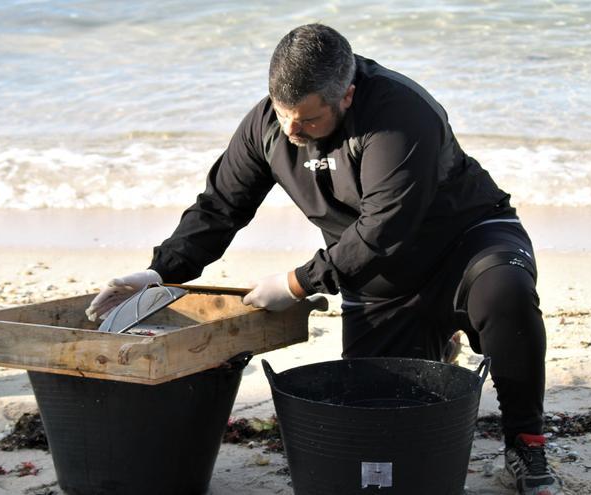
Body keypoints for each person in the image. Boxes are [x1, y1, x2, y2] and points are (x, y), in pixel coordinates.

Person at [86, 24, 560, 495]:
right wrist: (158, 271)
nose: (292, 129)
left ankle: (526, 444)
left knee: (507, 296)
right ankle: (434, 344)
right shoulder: (270, 125)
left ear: (347, 96)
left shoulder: (400, 115)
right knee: (375, 421)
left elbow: (383, 229)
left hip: (469, 244)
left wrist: (296, 283)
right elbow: (219, 207)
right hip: (379, 283)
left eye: (309, 120)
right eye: (282, 112)